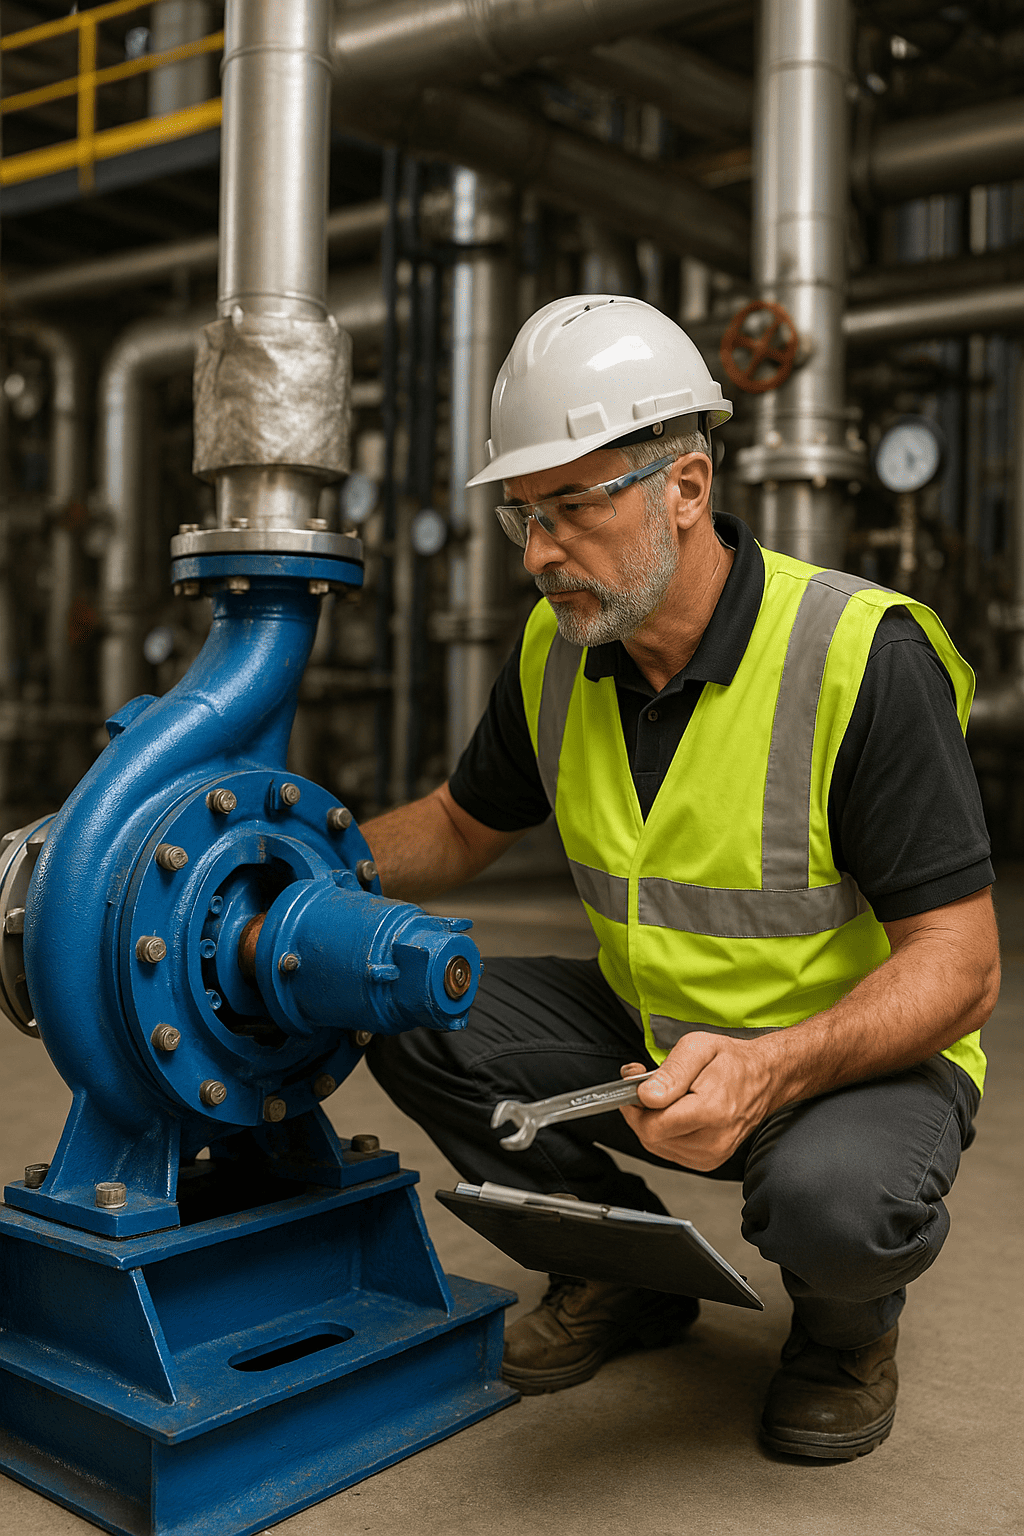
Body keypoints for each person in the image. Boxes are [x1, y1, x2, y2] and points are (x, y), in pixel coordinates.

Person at [360, 294, 999, 1461]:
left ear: (686, 488)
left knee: (833, 1205)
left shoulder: (860, 656)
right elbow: (460, 824)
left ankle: (843, 1336)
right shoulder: (563, 647)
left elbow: (959, 971)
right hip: (649, 1024)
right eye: (521, 518)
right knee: (405, 1008)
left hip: (849, 1055)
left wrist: (769, 1068)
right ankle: (622, 1271)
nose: (541, 553)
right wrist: (308, 861)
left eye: (569, 509)